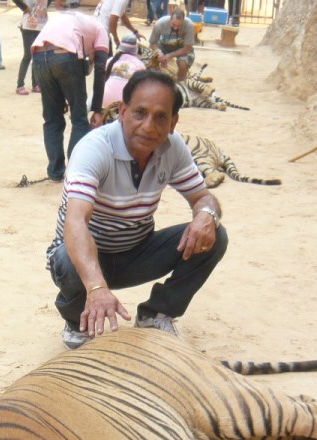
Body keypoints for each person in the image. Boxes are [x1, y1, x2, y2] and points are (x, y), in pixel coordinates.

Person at [45, 69, 226, 350]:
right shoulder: (95, 148)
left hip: (136, 253)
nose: (149, 127)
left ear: (174, 122)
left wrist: (206, 214)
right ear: (122, 111)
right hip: (87, 261)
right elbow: (76, 221)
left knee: (215, 235)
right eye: (140, 113)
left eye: (161, 117)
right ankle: (76, 321)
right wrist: (96, 287)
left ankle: (155, 314)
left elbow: (204, 197)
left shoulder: (172, 148)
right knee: (68, 256)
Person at [31, 11, 110, 183]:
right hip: (65, 55)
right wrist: (97, 109)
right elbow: (100, 69)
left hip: (38, 57)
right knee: (79, 119)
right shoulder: (102, 30)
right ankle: (76, 170)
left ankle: (55, 171)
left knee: (52, 118)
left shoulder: (76, 20)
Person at [97, 31, 145, 119]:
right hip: (124, 103)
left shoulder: (110, 61)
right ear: (136, 49)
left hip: (103, 101)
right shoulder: (140, 64)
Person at [12, 0, 50, 95]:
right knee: (28, 55)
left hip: (41, 24)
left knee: (37, 55)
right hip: (28, 25)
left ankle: (36, 84)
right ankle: (20, 85)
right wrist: (24, 7)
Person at [149, 6, 194, 79]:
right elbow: (152, 43)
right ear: (170, 19)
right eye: (173, 24)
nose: (176, 28)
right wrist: (159, 52)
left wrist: (169, 56)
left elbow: (187, 49)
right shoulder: (160, 24)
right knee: (152, 62)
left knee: (183, 65)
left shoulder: (189, 25)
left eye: (179, 26)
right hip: (164, 46)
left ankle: (181, 84)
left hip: (182, 48)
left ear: (183, 21)